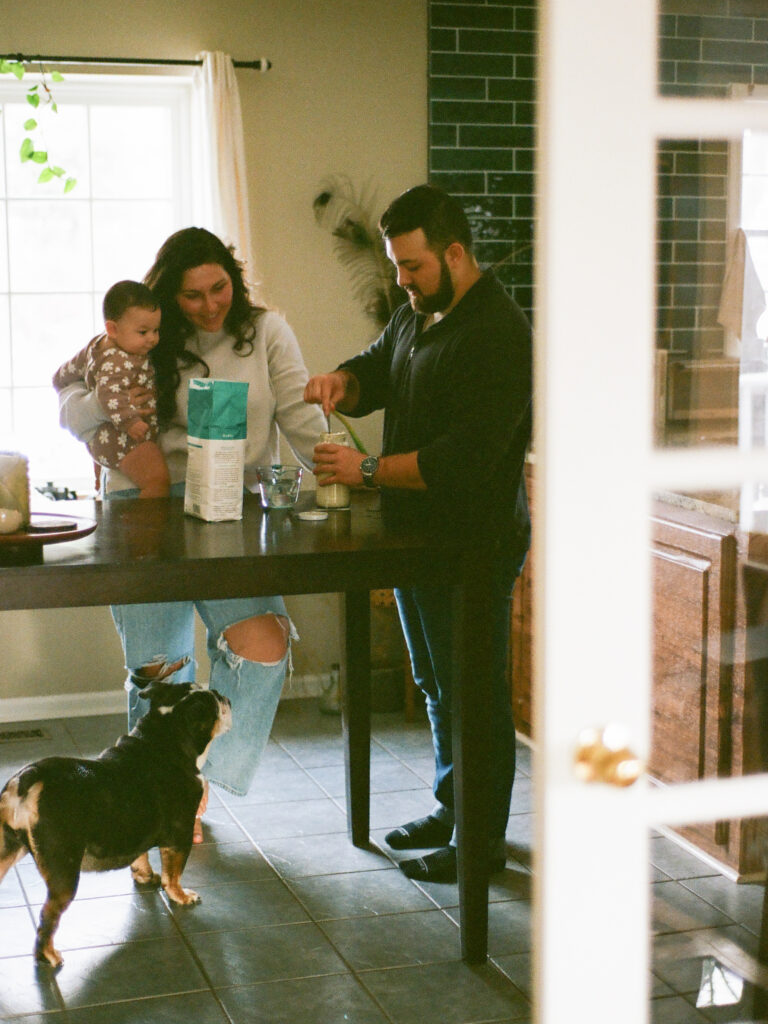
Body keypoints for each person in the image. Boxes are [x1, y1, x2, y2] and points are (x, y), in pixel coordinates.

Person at [58, 227, 327, 841]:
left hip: (231, 510)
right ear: (165, 295)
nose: (209, 305)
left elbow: (300, 415)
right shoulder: (141, 335)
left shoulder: (267, 332)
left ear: (235, 277)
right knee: (162, 670)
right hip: (142, 508)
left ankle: (196, 782)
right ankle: (151, 805)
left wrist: (347, 469)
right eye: (192, 295)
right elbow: (69, 399)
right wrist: (104, 406)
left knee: (265, 641)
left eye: (219, 288)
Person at [304, 184, 532, 883]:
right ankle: (452, 806)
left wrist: (366, 468)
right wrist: (344, 380)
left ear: (455, 253)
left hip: (472, 544)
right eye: (397, 266)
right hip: (416, 539)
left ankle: (482, 846)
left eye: (412, 266)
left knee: (473, 692)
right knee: (436, 683)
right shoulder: (418, 314)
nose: (401, 280)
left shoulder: (499, 333)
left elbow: (462, 460)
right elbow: (381, 366)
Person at [52, 280, 170, 498]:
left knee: (108, 485)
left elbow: (64, 374)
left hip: (102, 438)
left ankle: (102, 488)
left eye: (156, 330)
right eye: (143, 332)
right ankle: (150, 527)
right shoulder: (117, 360)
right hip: (123, 438)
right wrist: (130, 422)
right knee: (158, 481)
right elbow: (109, 395)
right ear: (113, 329)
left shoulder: (95, 345)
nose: (152, 339)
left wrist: (58, 381)